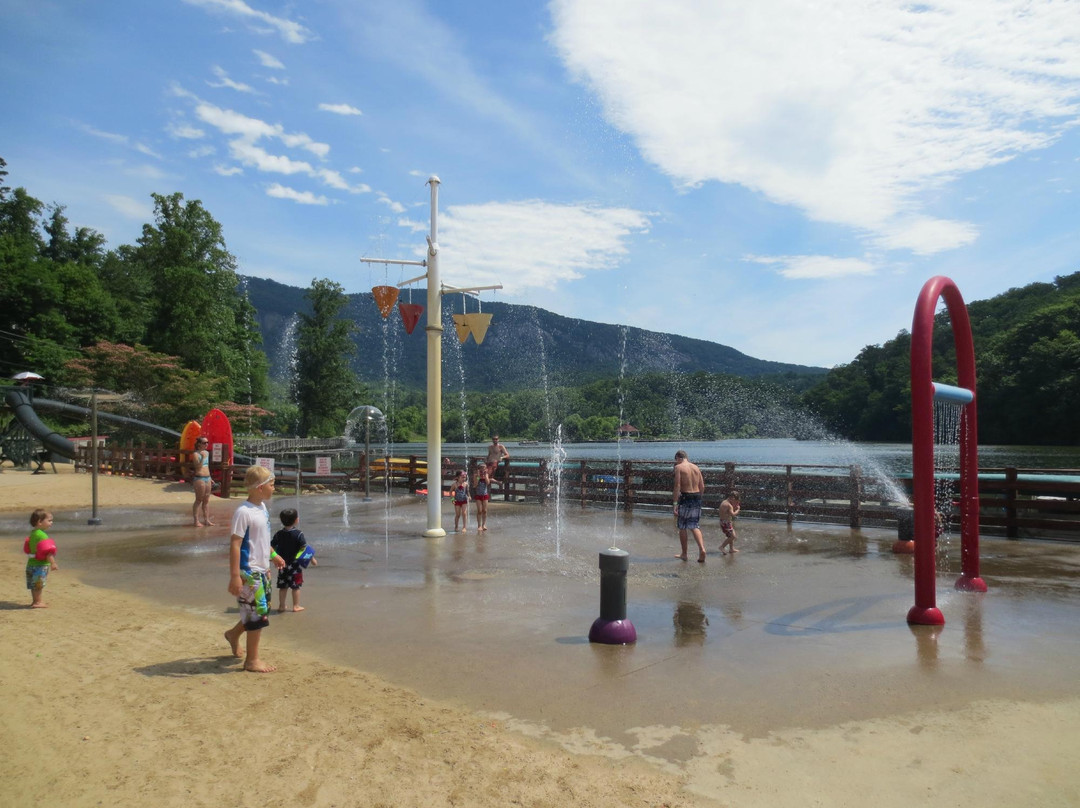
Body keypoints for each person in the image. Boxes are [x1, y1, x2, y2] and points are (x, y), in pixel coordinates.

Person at [224, 465, 286, 673]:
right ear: (259, 488)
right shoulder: (244, 512)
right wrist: (235, 577)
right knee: (257, 615)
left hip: (261, 569)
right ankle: (252, 660)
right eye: (271, 484)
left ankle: (233, 634)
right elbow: (235, 544)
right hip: (248, 572)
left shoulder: (262, 508)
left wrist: (273, 556)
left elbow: (261, 540)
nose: (273, 488)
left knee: (260, 611)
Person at [271, 508, 317, 613]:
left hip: (282, 564)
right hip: (295, 566)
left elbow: (271, 546)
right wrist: (312, 559)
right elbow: (304, 548)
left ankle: (282, 606)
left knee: (283, 586)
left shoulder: (278, 534)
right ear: (296, 520)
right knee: (296, 587)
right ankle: (296, 606)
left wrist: (273, 557)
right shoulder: (299, 534)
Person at [673, 450, 707, 563]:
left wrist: (675, 503)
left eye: (676, 460)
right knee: (694, 525)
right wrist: (698, 498)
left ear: (678, 458)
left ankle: (684, 554)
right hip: (696, 496)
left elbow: (677, 485)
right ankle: (702, 549)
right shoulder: (696, 467)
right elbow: (702, 486)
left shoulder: (679, 467)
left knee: (682, 526)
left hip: (685, 497)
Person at [24, 509, 58, 608]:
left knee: (34, 585)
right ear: (39, 522)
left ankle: (35, 601)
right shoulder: (42, 535)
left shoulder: (33, 533)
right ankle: (38, 602)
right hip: (40, 565)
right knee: (38, 585)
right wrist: (53, 563)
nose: (51, 523)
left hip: (31, 564)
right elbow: (48, 552)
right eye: (49, 520)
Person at [190, 436, 214, 527]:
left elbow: (206, 466)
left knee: (206, 500)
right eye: (204, 443)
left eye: (207, 442)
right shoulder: (196, 454)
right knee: (199, 499)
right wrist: (203, 457)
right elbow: (198, 467)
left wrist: (210, 477)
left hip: (207, 477)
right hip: (199, 478)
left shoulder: (207, 453)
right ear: (199, 444)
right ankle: (196, 521)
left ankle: (207, 520)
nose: (206, 444)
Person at [474, 465, 491, 532]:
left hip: (485, 495)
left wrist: (486, 476)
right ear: (479, 470)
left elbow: (488, 483)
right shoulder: (476, 475)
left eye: (484, 469)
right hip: (478, 495)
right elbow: (475, 484)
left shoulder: (486, 475)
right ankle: (479, 525)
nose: (482, 471)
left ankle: (484, 524)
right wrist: (478, 476)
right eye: (481, 470)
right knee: (479, 510)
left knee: (485, 510)